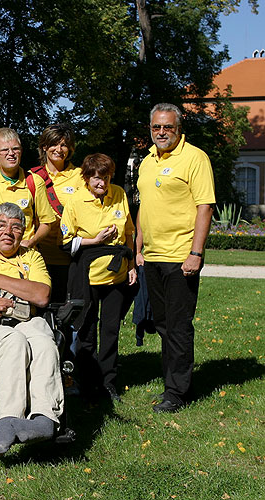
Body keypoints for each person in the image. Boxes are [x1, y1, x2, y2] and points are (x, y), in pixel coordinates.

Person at [0, 202, 61, 454]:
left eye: (16, 227)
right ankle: (8, 420)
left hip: (28, 319)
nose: (8, 232)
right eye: (2, 225)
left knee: (44, 343)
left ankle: (44, 419)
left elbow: (41, 295)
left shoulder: (31, 257)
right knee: (13, 340)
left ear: (23, 233)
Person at [135, 103, 215, 413]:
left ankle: (177, 392)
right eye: (157, 127)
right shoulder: (147, 162)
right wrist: (139, 247)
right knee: (164, 324)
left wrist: (195, 253)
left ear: (178, 128)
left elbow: (205, 206)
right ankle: (172, 381)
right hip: (153, 257)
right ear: (150, 129)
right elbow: (145, 206)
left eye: (168, 127)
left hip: (181, 257)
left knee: (179, 325)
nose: (162, 132)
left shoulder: (195, 158)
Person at [61, 153, 137, 402]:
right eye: (95, 178)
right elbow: (65, 242)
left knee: (111, 330)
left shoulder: (119, 194)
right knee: (86, 330)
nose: (101, 183)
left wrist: (133, 263)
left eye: (105, 178)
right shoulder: (75, 201)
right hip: (88, 275)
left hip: (117, 274)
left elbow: (128, 233)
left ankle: (109, 382)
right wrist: (94, 240)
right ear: (86, 178)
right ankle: (87, 381)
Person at [0, 128, 56, 249]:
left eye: (15, 149)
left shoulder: (34, 181)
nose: (11, 153)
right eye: (4, 150)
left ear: (21, 151)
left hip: (25, 255)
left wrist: (31, 242)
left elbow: (47, 222)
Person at [30, 124, 83, 302]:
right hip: (39, 255)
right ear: (44, 146)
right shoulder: (32, 177)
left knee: (67, 311)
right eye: (54, 144)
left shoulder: (81, 176)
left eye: (64, 145)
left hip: (70, 256)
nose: (59, 150)